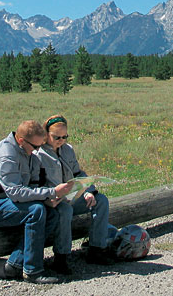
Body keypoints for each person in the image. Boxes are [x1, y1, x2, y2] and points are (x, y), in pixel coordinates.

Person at [0, 120, 73, 284]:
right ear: (20, 141)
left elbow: (32, 186)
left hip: (9, 202)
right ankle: (32, 271)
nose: (38, 150)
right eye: (35, 147)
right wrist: (52, 192)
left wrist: (48, 200)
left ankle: (15, 264)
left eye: (40, 146)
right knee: (36, 210)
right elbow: (15, 192)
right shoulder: (7, 154)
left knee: (52, 213)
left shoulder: (30, 154)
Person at [36, 114, 113, 274]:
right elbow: (36, 183)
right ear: (46, 134)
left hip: (72, 195)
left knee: (101, 201)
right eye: (57, 137)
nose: (61, 140)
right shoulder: (38, 154)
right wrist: (50, 197)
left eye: (65, 136)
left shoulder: (68, 150)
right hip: (52, 201)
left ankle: (96, 249)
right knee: (65, 210)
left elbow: (78, 173)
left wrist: (88, 191)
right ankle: (61, 257)